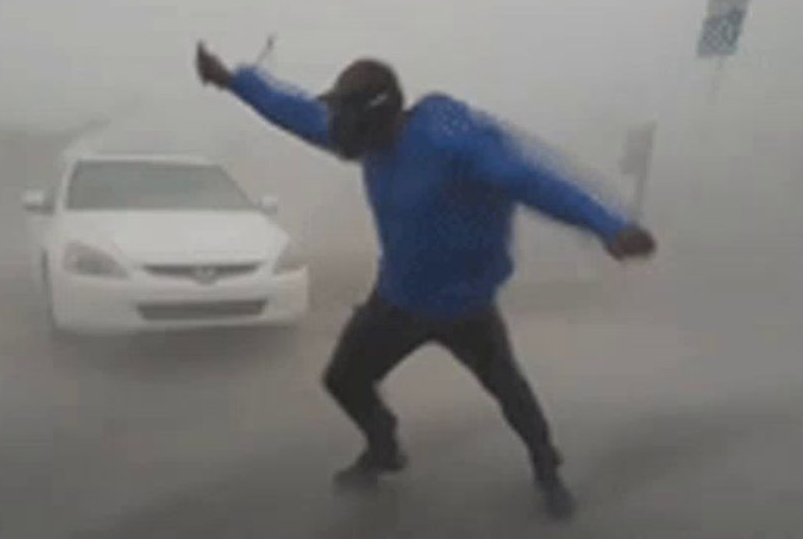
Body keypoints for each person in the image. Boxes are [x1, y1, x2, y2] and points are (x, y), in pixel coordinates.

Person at [194, 43, 655, 520]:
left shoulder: (458, 145)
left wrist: (610, 226)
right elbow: (295, 112)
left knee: (510, 394)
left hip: (466, 306)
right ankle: (384, 448)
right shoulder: (361, 133)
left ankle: (547, 470)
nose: (342, 143)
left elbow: (533, 180)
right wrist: (233, 80)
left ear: (379, 116)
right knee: (344, 380)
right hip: (398, 300)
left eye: (351, 130)